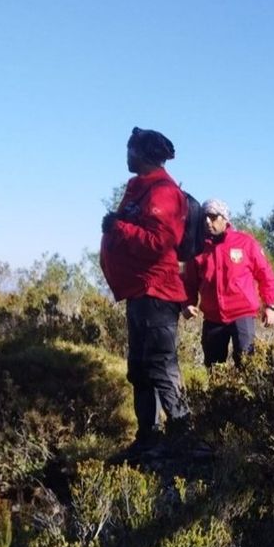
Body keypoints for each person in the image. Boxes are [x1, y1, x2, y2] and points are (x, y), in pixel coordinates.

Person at [100, 127, 193, 459]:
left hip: (157, 292)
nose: (127, 155)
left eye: (130, 149)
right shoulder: (141, 188)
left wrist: (118, 228)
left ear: (143, 154)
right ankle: (147, 438)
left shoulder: (163, 193)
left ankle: (184, 435)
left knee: (161, 365)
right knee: (139, 367)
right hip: (140, 291)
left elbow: (159, 244)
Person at [182, 198, 274, 367]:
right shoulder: (198, 248)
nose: (207, 221)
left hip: (242, 315)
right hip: (213, 317)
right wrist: (187, 304)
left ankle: (246, 394)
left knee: (247, 364)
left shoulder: (245, 243)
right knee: (214, 369)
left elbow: (266, 275)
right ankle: (218, 395)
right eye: (204, 217)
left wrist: (269, 306)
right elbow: (188, 281)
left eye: (213, 217)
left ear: (224, 219)